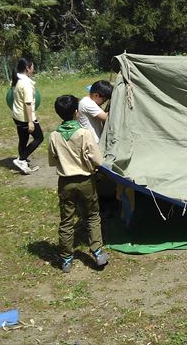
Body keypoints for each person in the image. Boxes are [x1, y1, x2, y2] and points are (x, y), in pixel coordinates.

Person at [48, 95, 109, 273]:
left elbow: (53, 160)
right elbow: (97, 159)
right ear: (76, 112)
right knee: (92, 216)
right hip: (85, 180)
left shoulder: (54, 135)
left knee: (66, 220)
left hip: (65, 182)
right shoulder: (84, 133)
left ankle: (66, 259)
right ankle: (97, 252)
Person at [11, 57, 43, 174]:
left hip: (17, 116)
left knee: (23, 139)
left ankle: (23, 165)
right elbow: (28, 103)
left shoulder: (18, 80)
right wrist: (30, 122)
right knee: (39, 138)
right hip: (25, 118)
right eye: (32, 66)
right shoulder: (26, 84)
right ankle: (21, 159)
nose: (33, 69)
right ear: (27, 68)